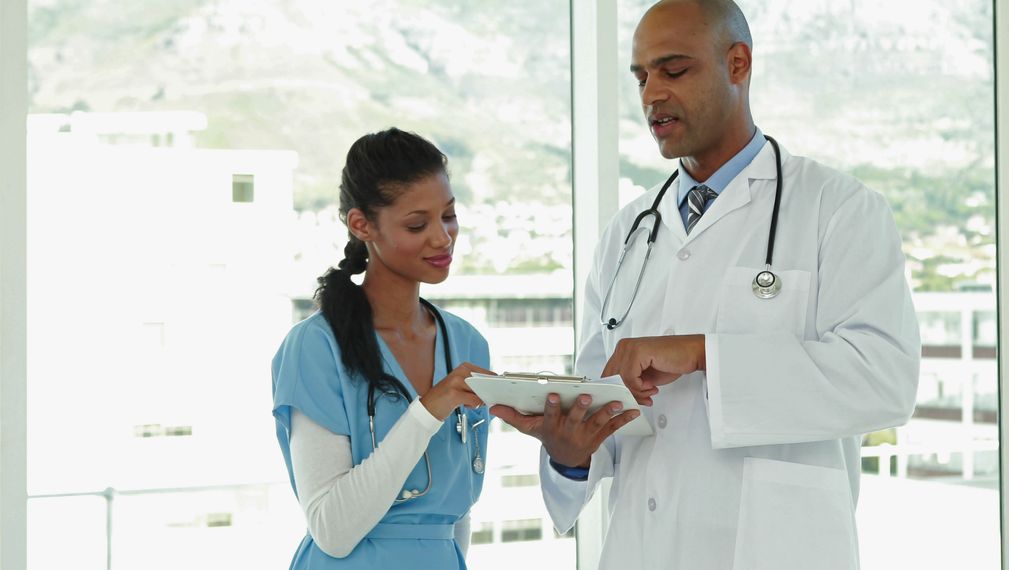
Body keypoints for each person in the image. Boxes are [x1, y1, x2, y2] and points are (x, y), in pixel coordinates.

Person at [490, 1, 921, 569]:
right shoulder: (628, 232)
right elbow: (606, 404)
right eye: (641, 77)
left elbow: (884, 379)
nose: (651, 95)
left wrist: (702, 354)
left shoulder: (837, 210)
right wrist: (572, 452)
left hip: (776, 549)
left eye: (674, 70)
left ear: (737, 64)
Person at [271, 128, 494, 568]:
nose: (443, 238)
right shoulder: (315, 347)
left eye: (448, 216)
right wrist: (429, 409)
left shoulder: (467, 343)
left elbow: (457, 510)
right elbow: (332, 530)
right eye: (417, 224)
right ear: (362, 225)